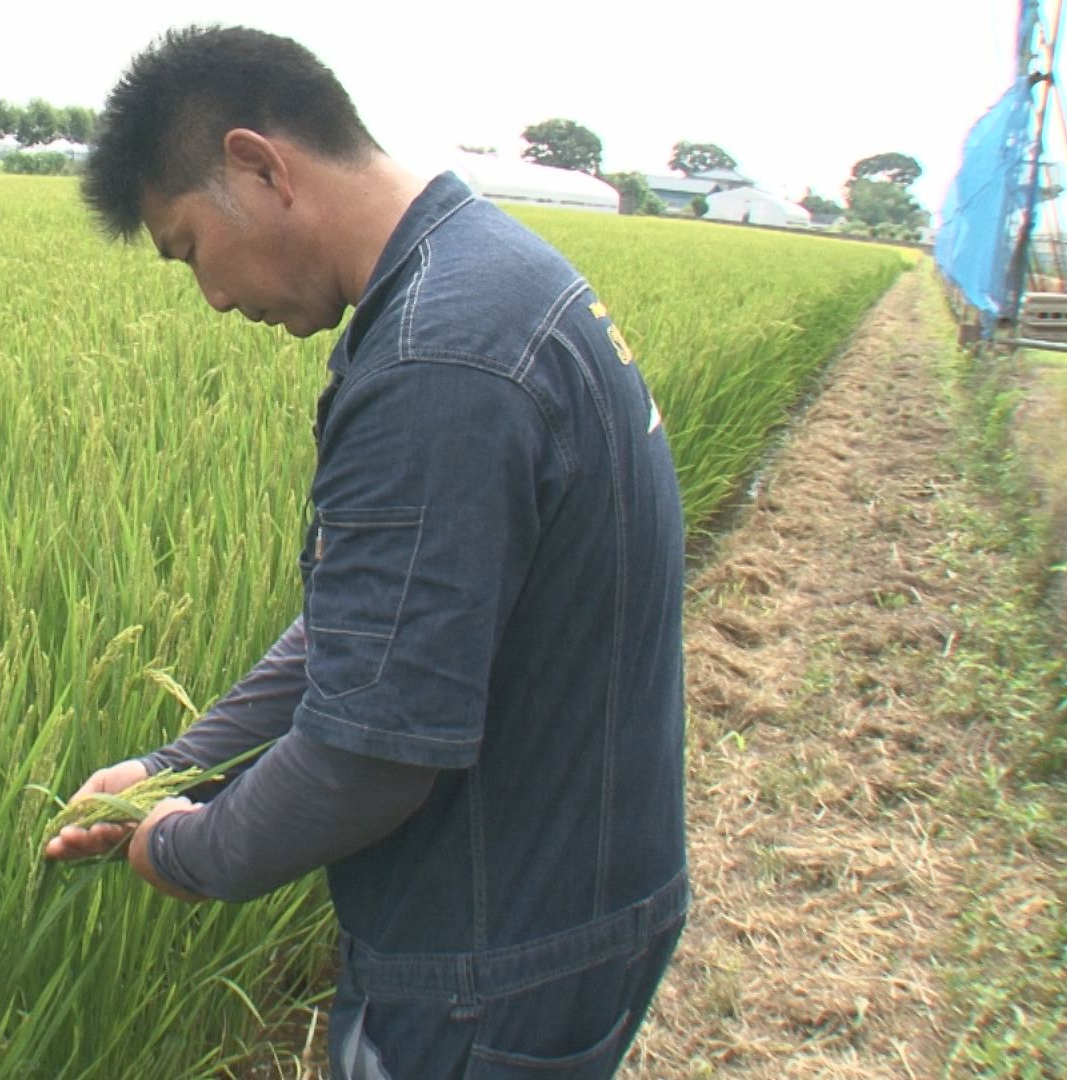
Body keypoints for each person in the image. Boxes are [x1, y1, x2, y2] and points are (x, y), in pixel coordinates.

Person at [44, 25, 688, 1080]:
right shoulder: (491, 276)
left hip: (489, 956)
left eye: (189, 249)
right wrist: (177, 767)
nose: (211, 296)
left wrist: (180, 847)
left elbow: (371, 756)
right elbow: (376, 628)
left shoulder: (437, 363)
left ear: (259, 166)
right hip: (567, 900)